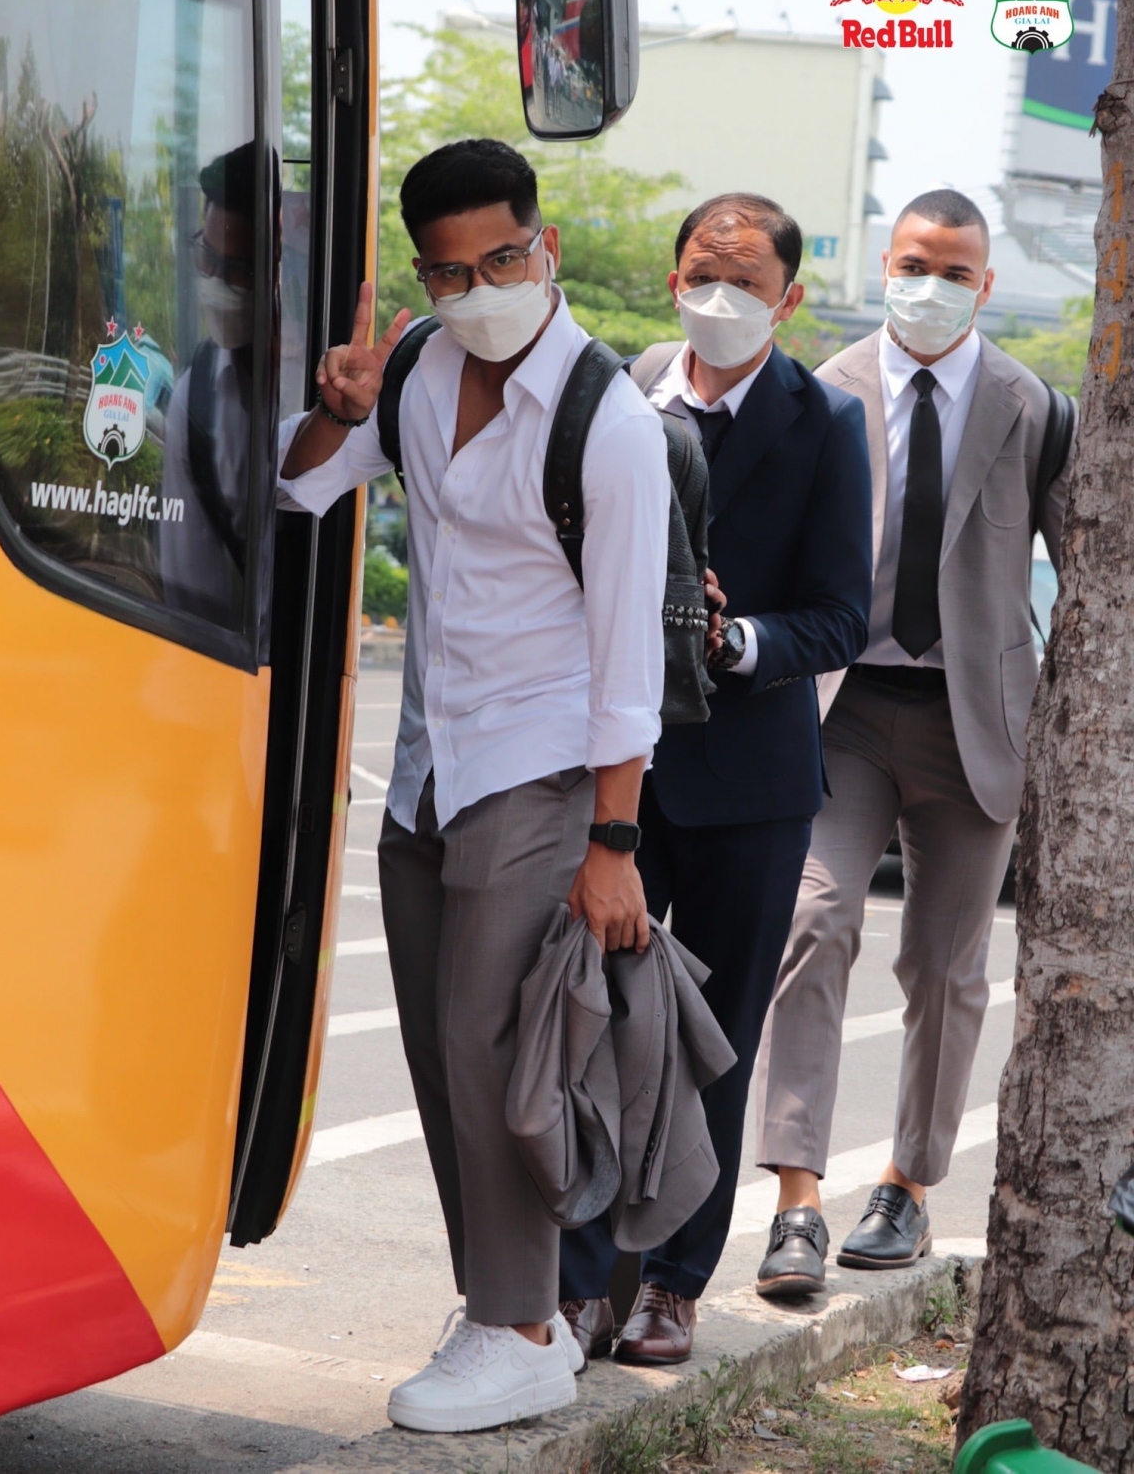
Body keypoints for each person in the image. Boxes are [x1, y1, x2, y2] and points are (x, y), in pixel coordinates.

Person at [279, 138, 670, 1432]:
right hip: (429, 772)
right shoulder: (415, 372)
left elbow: (629, 659)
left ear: (543, 245)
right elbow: (299, 491)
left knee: (490, 1046)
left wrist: (611, 839)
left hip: (543, 771)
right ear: (427, 278)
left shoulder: (607, 420)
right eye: (456, 271)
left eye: (506, 257)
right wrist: (340, 402)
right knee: (451, 1064)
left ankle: (514, 1323)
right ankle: (515, 1315)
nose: (484, 286)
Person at [557, 192, 873, 1365]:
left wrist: (736, 643)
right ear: (672, 276)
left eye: (748, 282)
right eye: (704, 272)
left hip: (749, 780)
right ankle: (583, 1276)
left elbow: (841, 615)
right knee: (592, 1029)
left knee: (713, 1039)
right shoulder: (621, 392)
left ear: (790, 299)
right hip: (613, 775)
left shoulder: (825, 421)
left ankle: (674, 1285)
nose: (721, 298)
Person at [754, 189, 1072, 1295]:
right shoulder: (823, 394)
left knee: (947, 968)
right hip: (843, 712)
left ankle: (908, 1185)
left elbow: (1078, 577)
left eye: (954, 270)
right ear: (885, 264)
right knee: (815, 918)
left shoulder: (1034, 409)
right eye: (912, 263)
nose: (928, 287)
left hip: (975, 724)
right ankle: (795, 1198)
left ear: (986, 284)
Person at [162, 141, 260, 628]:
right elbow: (189, 592)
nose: (217, 286)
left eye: (240, 271)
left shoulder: (331, 384)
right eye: (207, 258)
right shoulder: (195, 398)